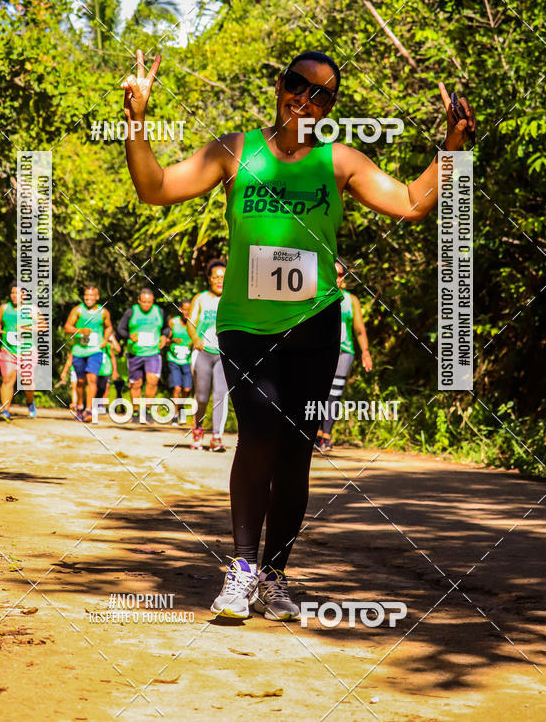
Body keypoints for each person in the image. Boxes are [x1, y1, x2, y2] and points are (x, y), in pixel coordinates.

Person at [122, 48, 475, 621]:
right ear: (279, 85)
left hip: (315, 323)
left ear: (331, 106)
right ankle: (240, 570)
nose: (305, 100)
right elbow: (155, 187)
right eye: (298, 85)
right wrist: (137, 123)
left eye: (321, 94)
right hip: (244, 324)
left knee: (296, 452)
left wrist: (453, 148)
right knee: (259, 433)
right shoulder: (234, 150)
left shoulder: (340, 162)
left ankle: (274, 576)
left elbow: (412, 202)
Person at [315, 261, 373, 454]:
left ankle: (326, 437)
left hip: (344, 351)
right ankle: (314, 433)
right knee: (318, 392)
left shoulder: (351, 300)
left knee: (335, 392)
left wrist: (365, 352)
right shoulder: (316, 296)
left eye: (341, 275)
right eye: (334, 273)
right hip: (320, 350)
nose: (337, 278)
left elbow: (359, 329)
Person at [187, 260, 229, 451]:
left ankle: (217, 437)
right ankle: (197, 429)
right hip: (203, 352)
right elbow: (191, 321)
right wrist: (195, 338)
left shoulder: (232, 298)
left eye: (223, 277)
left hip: (223, 354)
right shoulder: (200, 299)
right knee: (202, 396)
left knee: (221, 393)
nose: (220, 280)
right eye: (216, 277)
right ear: (209, 279)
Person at [0, 281, 45, 420]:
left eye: (18, 293)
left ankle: (29, 401)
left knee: (27, 380)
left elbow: (43, 326)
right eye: (13, 292)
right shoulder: (4, 308)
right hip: (8, 349)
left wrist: (27, 328)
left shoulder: (31, 309)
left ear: (25, 294)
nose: (15, 295)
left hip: (27, 350)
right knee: (8, 379)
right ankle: (5, 412)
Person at [63, 285, 113, 423]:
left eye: (92, 296)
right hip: (79, 350)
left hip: (95, 350)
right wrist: (79, 331)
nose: (88, 298)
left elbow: (109, 327)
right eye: (86, 295)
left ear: (97, 297)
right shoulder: (78, 310)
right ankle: (80, 407)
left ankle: (89, 410)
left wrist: (105, 339)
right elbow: (67, 327)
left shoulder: (103, 312)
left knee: (92, 379)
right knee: (80, 381)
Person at [117, 289, 165, 423]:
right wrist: (129, 336)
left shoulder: (159, 312)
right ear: (139, 301)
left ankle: (148, 410)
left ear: (153, 302)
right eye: (144, 302)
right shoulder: (131, 312)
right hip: (135, 353)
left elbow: (166, 328)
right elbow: (120, 328)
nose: (146, 305)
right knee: (136, 384)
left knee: (152, 380)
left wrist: (164, 337)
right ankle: (136, 412)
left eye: (149, 302)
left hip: (153, 353)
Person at [164, 298, 193, 425]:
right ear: (180, 309)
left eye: (190, 310)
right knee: (177, 388)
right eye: (185, 309)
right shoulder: (173, 322)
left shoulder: (195, 323)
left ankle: (181, 408)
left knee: (187, 389)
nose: (187, 312)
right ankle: (175, 415)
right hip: (174, 360)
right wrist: (172, 341)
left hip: (188, 361)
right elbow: (165, 340)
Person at [96, 334, 122, 413]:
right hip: (96, 368)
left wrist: (115, 371)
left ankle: (102, 406)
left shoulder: (108, 345)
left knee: (106, 387)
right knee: (96, 388)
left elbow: (117, 350)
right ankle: (94, 405)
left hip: (106, 369)